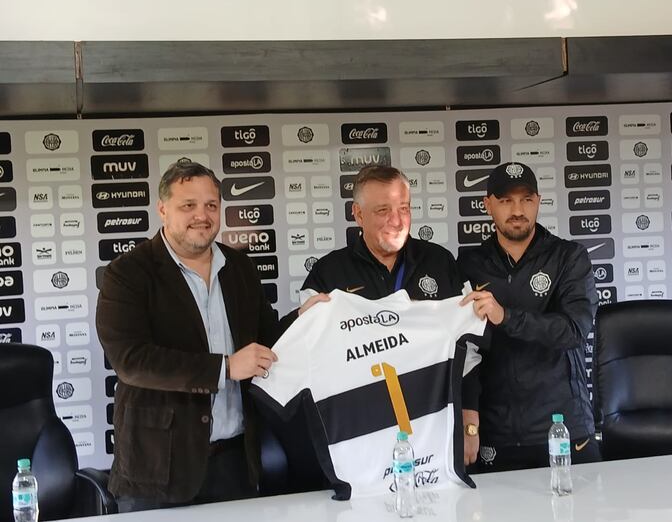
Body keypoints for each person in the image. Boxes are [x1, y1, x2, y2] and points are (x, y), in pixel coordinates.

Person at [96, 161, 325, 512]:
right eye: (188, 205)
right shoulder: (127, 273)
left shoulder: (240, 267)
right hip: (157, 469)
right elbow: (131, 360)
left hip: (233, 462)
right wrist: (225, 368)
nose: (201, 215)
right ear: (163, 210)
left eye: (211, 205)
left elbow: (265, 341)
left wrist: (302, 318)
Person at [300, 164, 484, 465]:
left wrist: (469, 419)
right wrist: (302, 322)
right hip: (362, 435)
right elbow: (307, 357)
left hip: (436, 427)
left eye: (404, 209)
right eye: (383, 210)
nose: (397, 221)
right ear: (358, 214)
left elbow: (469, 349)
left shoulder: (440, 262)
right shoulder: (328, 274)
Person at [458, 161, 600, 471]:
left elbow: (574, 330)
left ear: (538, 202)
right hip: (495, 431)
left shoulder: (568, 257)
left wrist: (505, 316)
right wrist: (469, 423)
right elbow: (464, 350)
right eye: (506, 200)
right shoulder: (469, 264)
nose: (517, 210)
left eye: (526, 199)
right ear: (488, 205)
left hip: (564, 426)